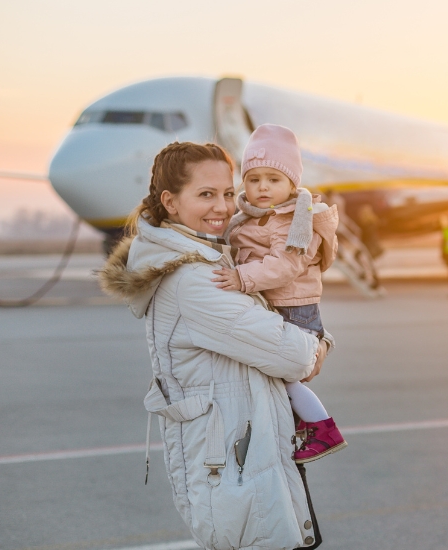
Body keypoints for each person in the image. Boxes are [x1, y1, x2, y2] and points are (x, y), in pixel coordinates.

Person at [98, 141, 327, 549]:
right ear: (170, 202)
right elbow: (296, 356)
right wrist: (319, 342)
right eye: (205, 195)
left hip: (239, 461)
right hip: (235, 470)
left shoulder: (211, 260)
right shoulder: (194, 282)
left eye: (226, 192)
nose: (222, 207)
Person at [212, 124, 346, 463]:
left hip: (292, 308)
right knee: (274, 379)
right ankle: (300, 421)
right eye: (254, 179)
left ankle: (323, 427)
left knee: (283, 376)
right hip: (277, 304)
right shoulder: (252, 217)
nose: (262, 187)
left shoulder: (291, 220)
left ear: (292, 184)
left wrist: (241, 278)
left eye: (273, 179)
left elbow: (284, 265)